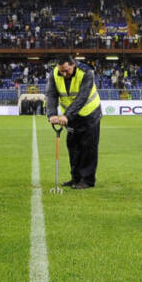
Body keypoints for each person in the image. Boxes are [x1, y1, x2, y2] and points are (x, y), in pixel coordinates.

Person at [46, 54, 102, 189]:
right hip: (71, 117)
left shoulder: (87, 73)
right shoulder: (54, 74)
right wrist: (52, 114)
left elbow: (82, 97)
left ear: (73, 65)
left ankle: (87, 180)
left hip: (90, 114)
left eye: (67, 70)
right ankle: (75, 178)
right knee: (73, 147)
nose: (64, 74)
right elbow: (51, 95)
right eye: (61, 71)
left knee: (88, 148)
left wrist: (66, 116)